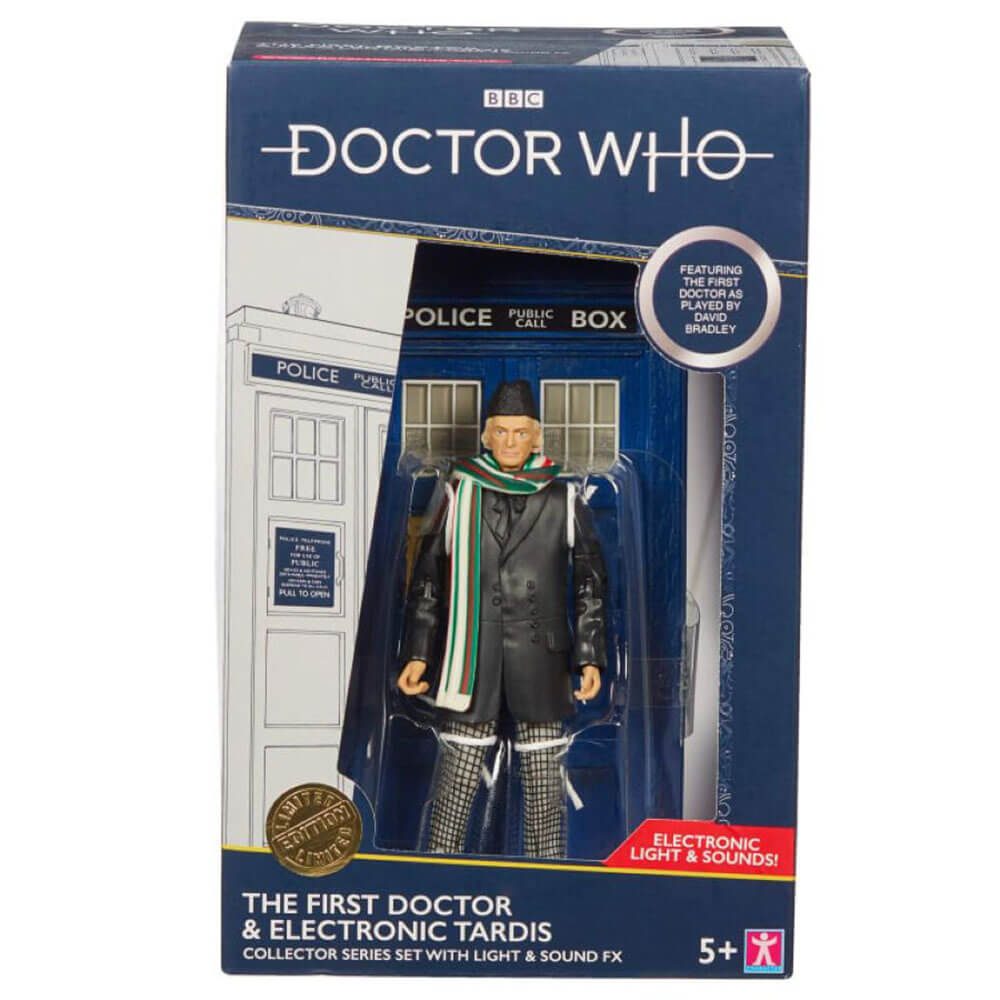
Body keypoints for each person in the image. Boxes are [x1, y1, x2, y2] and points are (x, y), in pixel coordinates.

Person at [398, 380, 607, 858]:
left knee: (544, 793)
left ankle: (546, 879)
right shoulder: (457, 493)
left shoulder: (562, 497)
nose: (511, 442)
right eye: (502, 432)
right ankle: (439, 872)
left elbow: (590, 584)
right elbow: (428, 581)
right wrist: (418, 653)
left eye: (520, 432)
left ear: (537, 437)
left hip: (542, 662)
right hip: (470, 661)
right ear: (486, 436)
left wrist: (589, 655)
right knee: (454, 788)